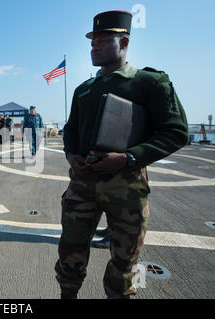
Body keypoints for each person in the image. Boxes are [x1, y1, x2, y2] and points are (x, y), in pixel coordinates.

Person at [55, 10, 189, 299]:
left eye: (103, 41)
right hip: (82, 184)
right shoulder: (83, 90)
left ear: (123, 42)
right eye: (92, 41)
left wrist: (128, 157)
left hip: (126, 187)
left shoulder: (149, 83)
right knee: (70, 250)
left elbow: (176, 132)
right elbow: (71, 129)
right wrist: (71, 155)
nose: (94, 46)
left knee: (124, 260)